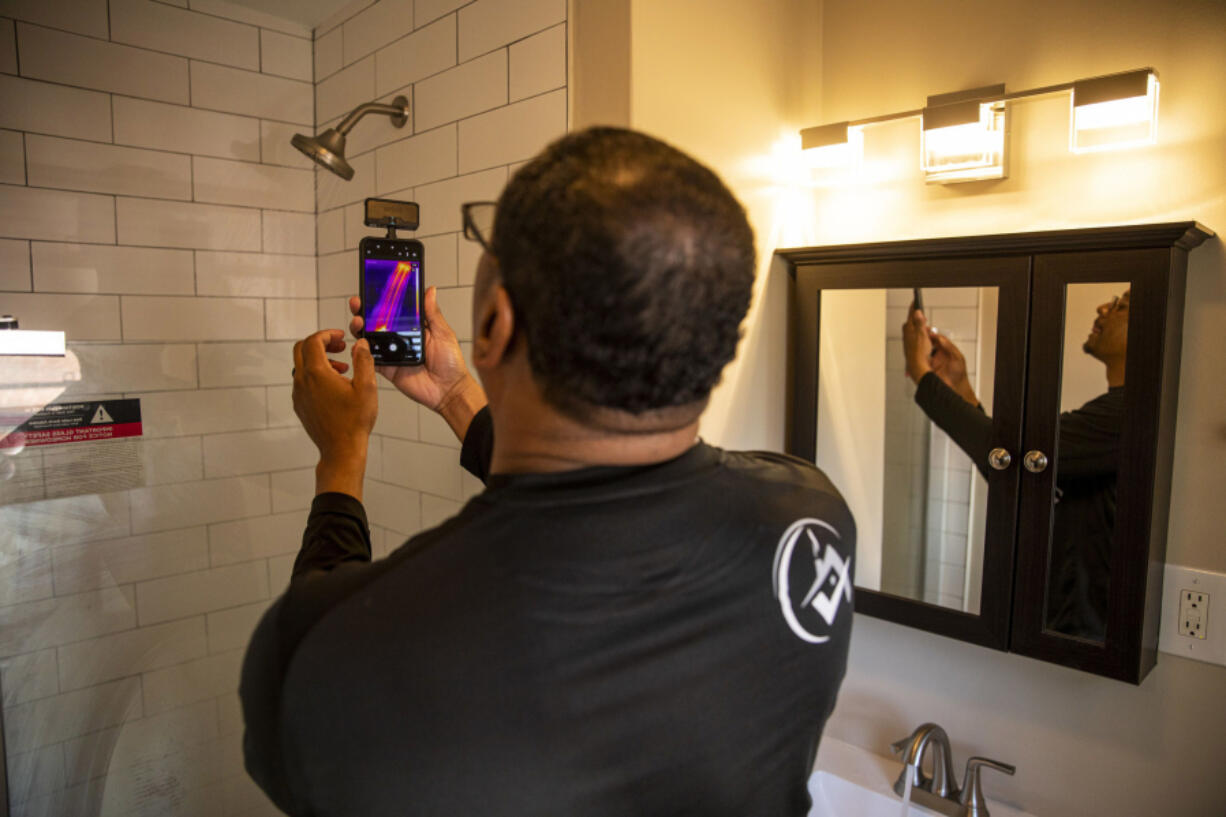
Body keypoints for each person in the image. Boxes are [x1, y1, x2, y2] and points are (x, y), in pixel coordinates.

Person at [240, 127, 856, 817]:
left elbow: (305, 676)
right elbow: (593, 492)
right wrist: (454, 395)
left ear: (496, 323)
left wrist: (340, 455)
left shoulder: (344, 647)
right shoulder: (812, 516)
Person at [902, 290, 1129, 640]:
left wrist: (923, 375)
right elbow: (1016, 470)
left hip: (1082, 637)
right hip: (1069, 627)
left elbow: (1014, 456)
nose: (1102, 307)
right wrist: (961, 390)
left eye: (1121, 306)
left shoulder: (1127, 415)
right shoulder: (1118, 413)